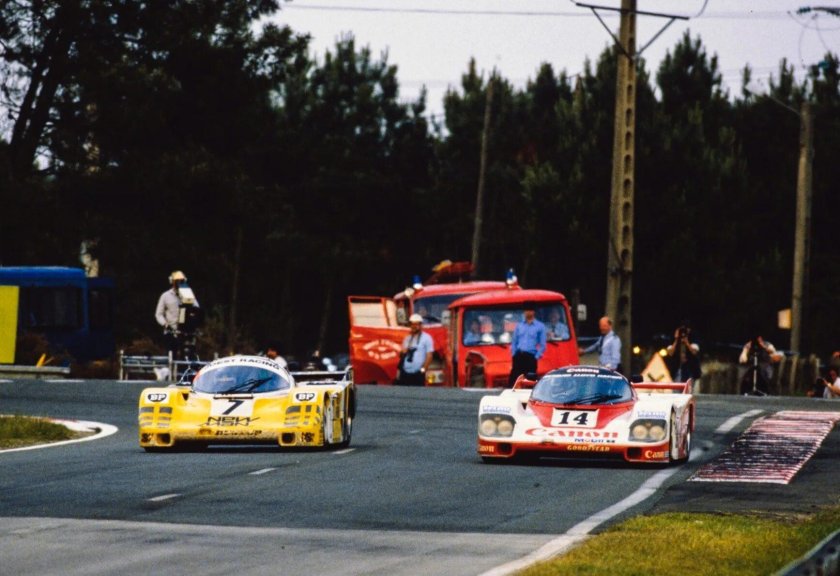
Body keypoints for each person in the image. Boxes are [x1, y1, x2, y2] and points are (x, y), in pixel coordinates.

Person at [155, 270, 199, 357]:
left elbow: (197, 308)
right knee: (171, 355)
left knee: (187, 356)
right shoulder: (166, 296)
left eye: (181, 281)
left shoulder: (188, 295)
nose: (179, 283)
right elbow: (158, 314)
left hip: (185, 332)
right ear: (172, 282)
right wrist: (165, 324)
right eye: (177, 281)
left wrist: (193, 316)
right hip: (171, 331)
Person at [508, 302, 547, 387]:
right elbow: (514, 341)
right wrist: (514, 354)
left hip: (531, 357)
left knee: (530, 381)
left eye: (530, 310)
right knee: (514, 381)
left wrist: (536, 357)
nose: (528, 312)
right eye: (526, 310)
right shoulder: (519, 325)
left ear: (533, 312)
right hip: (519, 356)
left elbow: (543, 344)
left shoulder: (540, 326)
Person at [397, 313, 434, 386]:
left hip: (418, 373)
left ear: (420, 325)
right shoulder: (407, 339)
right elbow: (401, 355)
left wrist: (423, 370)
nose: (414, 326)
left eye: (416, 324)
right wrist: (402, 352)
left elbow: (429, 356)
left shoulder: (426, 338)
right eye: (412, 324)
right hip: (405, 373)